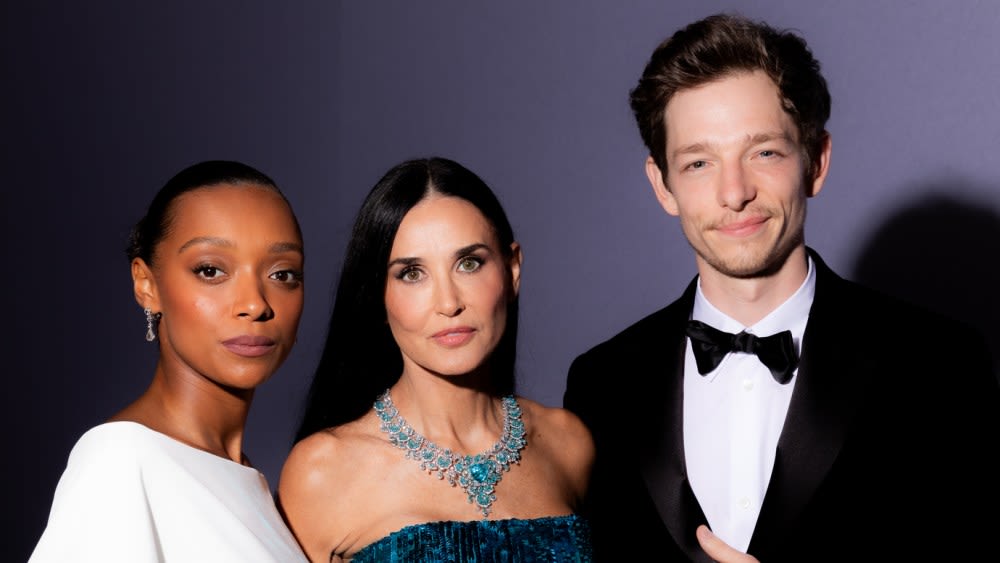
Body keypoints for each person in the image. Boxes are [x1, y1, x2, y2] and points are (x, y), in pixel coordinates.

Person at [563, 12, 1000, 563]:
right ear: (663, 185)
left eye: (764, 152)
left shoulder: (939, 364)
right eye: (699, 162)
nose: (734, 191)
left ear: (815, 161)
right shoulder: (601, 384)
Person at [278, 157, 594, 562]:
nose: (448, 303)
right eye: (412, 273)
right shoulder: (322, 472)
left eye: (469, 264)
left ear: (512, 270)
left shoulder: (567, 444)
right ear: (378, 294)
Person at [29, 160, 309, 562]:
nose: (255, 303)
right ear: (147, 285)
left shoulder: (252, 485)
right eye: (211, 270)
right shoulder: (120, 461)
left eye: (283, 274)